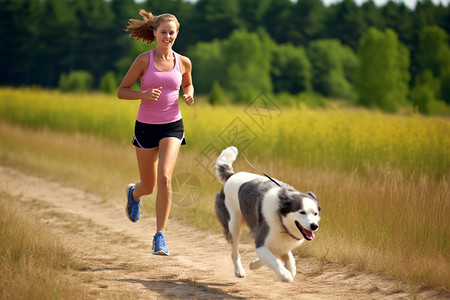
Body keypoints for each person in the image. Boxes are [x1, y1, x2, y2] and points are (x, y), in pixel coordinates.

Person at [117, 9, 194, 256]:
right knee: (148, 186)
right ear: (155, 33)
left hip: (173, 124)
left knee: (165, 178)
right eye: (163, 32)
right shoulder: (143, 60)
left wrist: (189, 93)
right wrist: (143, 94)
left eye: (172, 33)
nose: (168, 37)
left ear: (177, 34)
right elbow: (122, 90)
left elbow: (188, 82)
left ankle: (159, 236)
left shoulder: (183, 62)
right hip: (146, 127)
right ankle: (134, 193)